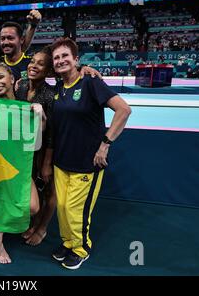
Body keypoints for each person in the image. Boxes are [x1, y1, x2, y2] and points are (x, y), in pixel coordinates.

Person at [45, 37, 131, 270]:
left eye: (65, 56)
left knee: (76, 210)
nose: (61, 60)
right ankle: (68, 243)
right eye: (57, 58)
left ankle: (81, 248)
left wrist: (105, 144)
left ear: (76, 60)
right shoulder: (57, 89)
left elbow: (124, 110)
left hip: (87, 161)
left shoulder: (91, 82)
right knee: (62, 208)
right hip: (62, 161)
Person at [0, 62, 43, 264]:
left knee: (33, 207)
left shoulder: (25, 105)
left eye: (0, 77)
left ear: (12, 79)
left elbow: (37, 141)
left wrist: (39, 113)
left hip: (20, 168)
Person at [15, 48, 57, 246]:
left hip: (43, 150)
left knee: (48, 189)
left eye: (40, 64)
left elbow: (51, 134)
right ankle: (32, 222)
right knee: (33, 188)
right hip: (25, 149)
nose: (34, 65)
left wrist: (47, 162)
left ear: (49, 71)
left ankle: (42, 228)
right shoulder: (21, 86)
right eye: (33, 61)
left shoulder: (49, 95)